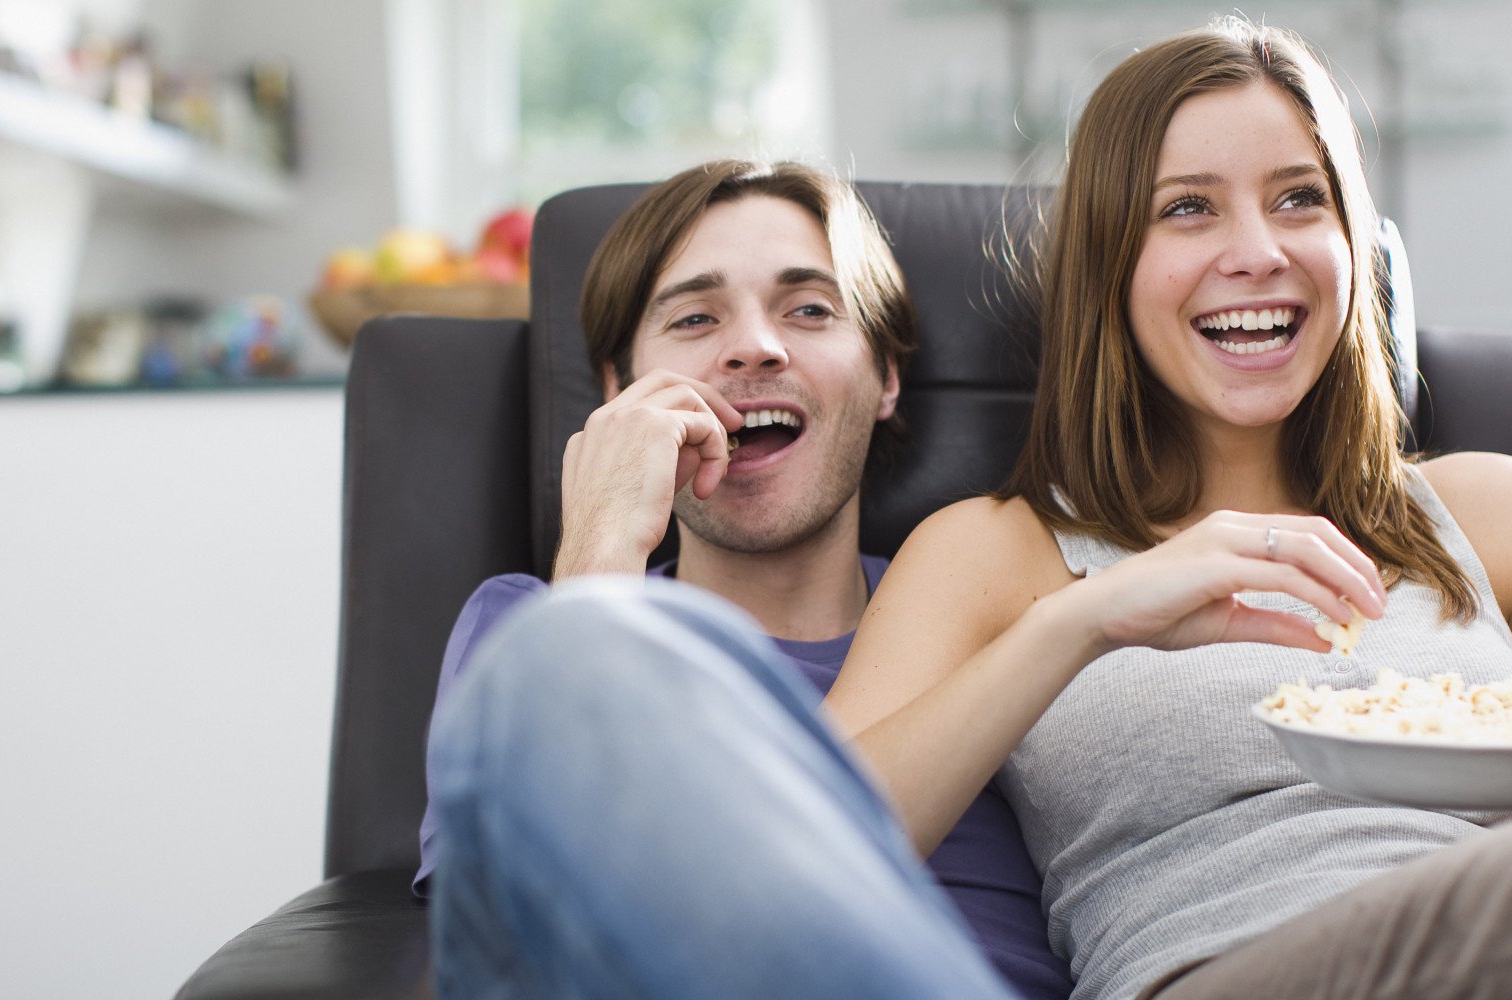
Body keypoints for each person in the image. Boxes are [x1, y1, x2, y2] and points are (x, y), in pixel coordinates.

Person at [823, 16, 1512, 1000]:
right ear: (1105, 265)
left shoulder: (1496, 508)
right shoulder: (992, 550)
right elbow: (814, 839)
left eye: (1297, 199)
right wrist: (1087, 618)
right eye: (1187, 209)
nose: (1257, 251)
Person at [418, 159, 1073, 999]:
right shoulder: (519, 636)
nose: (756, 347)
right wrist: (600, 551)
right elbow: (525, 942)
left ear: (886, 376)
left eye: (809, 310)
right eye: (695, 318)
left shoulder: (998, 614)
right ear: (617, 391)